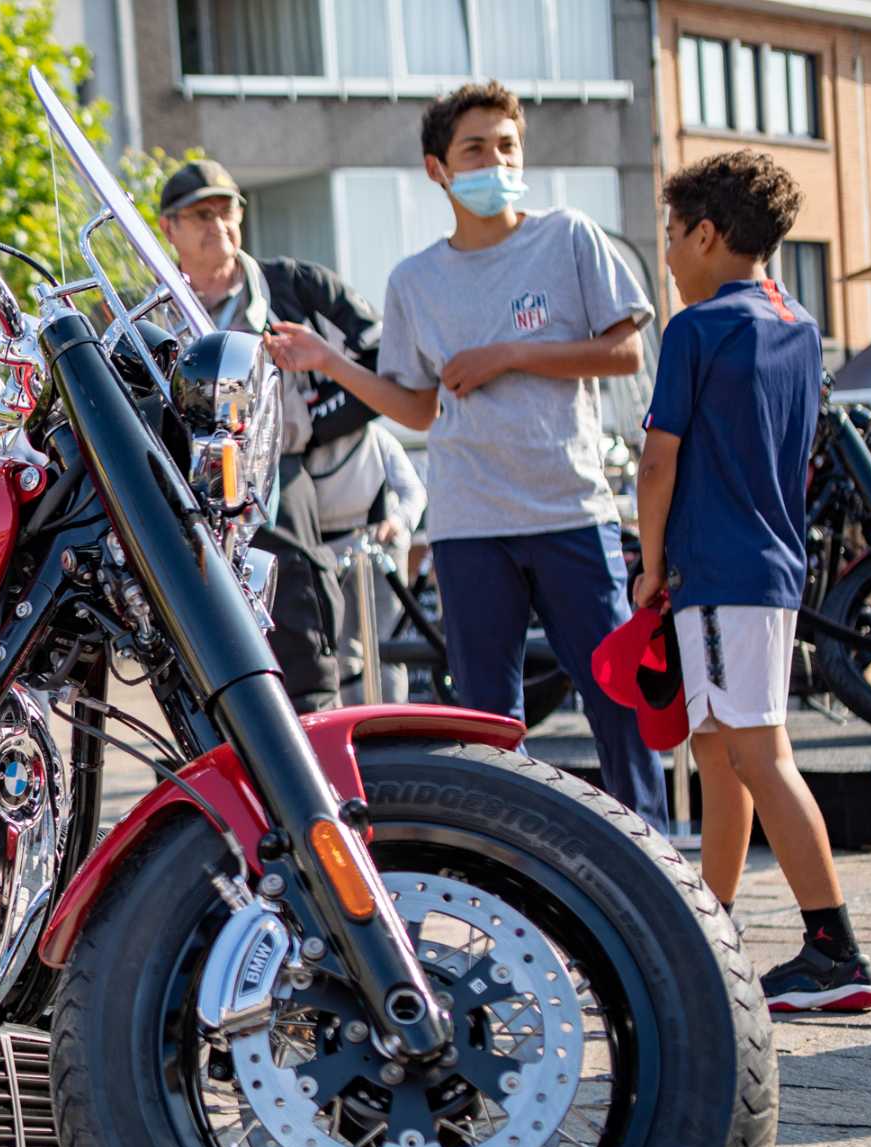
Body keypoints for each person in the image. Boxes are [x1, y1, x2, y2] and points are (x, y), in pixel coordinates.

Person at [267, 81, 669, 825]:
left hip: (570, 510)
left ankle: (652, 853)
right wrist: (329, 362)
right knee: (485, 721)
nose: (496, 162)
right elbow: (416, 407)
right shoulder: (414, 280)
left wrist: (508, 354)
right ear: (438, 169)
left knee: (615, 701)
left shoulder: (568, 237)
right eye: (475, 149)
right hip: (468, 526)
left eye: (507, 146)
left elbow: (625, 352)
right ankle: (509, 863)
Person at [634, 150, 871, 1013]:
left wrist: (649, 568)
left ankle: (834, 951)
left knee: (757, 755)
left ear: (706, 233)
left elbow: (656, 463)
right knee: (722, 753)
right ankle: (711, 931)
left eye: (673, 235)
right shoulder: (797, 323)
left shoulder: (695, 328)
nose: (669, 253)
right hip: (771, 565)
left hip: (715, 568)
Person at [159, 158, 385, 712]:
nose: (218, 225)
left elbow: (382, 359)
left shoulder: (295, 286)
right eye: (201, 214)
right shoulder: (150, 305)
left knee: (299, 610)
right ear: (168, 228)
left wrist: (311, 420)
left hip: (278, 471)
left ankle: (312, 722)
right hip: (184, 485)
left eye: (227, 210)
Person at [313, 422, 427, 705]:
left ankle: (394, 718)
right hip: (330, 555)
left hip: (380, 548)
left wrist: (397, 522)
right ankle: (356, 719)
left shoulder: (377, 437)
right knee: (343, 648)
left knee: (387, 645)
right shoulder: (310, 438)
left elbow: (413, 492)